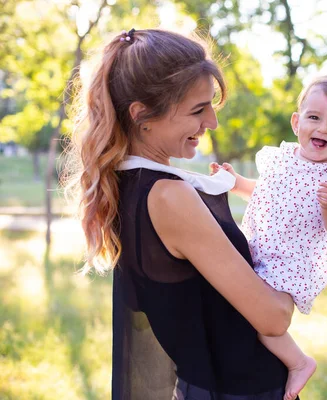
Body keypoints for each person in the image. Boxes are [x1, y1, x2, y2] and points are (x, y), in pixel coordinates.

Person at [64, 28, 297, 400]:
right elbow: (273, 317)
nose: (212, 122)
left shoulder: (129, 183)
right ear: (143, 116)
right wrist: (303, 266)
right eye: (197, 109)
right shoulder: (169, 196)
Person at [210, 75, 327, 400]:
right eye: (314, 117)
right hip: (256, 249)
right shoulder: (281, 159)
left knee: (265, 321)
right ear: (297, 122)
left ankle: (298, 362)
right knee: (236, 307)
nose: (323, 129)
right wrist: (235, 181)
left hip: (290, 265)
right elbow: (264, 193)